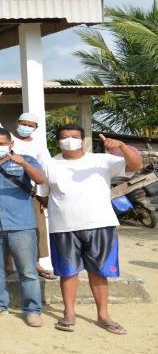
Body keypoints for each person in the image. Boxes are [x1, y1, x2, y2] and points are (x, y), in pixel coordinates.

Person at [36, 125, 142, 335]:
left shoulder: (101, 160)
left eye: (74, 137)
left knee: (98, 271)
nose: (70, 140)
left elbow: (135, 165)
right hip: (63, 227)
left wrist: (121, 145)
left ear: (83, 140)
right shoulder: (48, 164)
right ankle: (69, 313)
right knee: (68, 272)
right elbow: (43, 195)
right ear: (58, 141)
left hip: (99, 224)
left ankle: (103, 315)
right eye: (65, 137)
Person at [0, 128, 45, 327]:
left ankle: (32, 310)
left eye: (1, 143)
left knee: (27, 270)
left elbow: (40, 179)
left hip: (21, 224)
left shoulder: (25, 159)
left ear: (10, 144)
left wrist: (24, 164)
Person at [0, 92, 54, 279]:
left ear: (36, 128)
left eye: (30, 126)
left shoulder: (40, 146)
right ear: (17, 124)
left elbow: (45, 172)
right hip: (2, 190)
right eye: (23, 124)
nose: (26, 128)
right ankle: (8, 264)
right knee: (3, 227)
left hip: (28, 192)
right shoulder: (5, 137)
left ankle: (37, 263)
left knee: (37, 228)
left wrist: (43, 195)